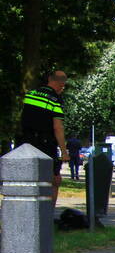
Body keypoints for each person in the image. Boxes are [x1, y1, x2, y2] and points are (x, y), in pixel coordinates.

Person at [13, 70, 69, 203]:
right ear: (61, 84)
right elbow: (58, 127)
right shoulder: (55, 99)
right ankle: (47, 216)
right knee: (54, 180)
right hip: (45, 143)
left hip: (24, 141)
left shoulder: (30, 94)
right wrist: (64, 151)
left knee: (25, 177)